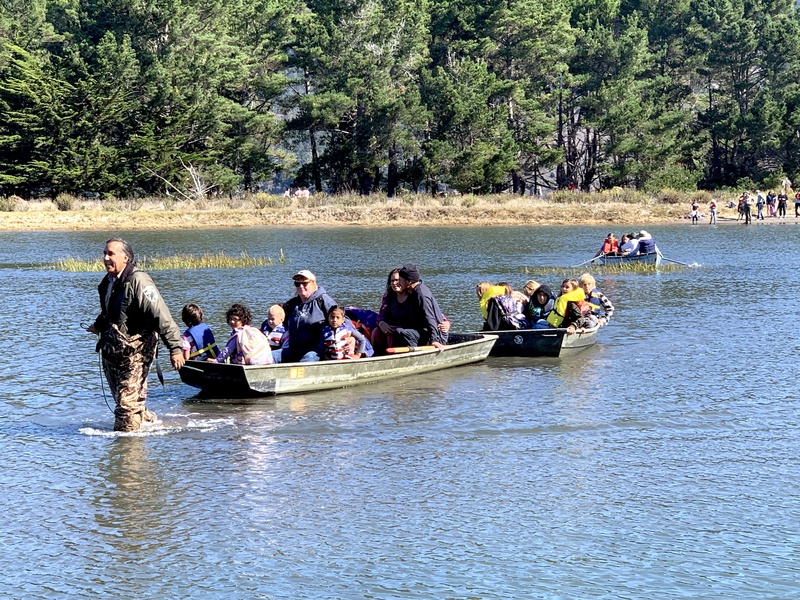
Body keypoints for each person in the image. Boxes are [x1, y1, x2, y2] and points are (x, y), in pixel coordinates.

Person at [87, 238, 185, 432]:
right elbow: (110, 311)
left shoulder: (140, 281)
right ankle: (147, 422)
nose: (106, 258)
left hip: (138, 349)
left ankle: (126, 450)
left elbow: (161, 315)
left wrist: (175, 347)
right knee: (123, 399)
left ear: (126, 257)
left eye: (111, 254)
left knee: (125, 404)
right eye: (104, 253)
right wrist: (98, 325)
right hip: (114, 350)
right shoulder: (109, 281)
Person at [275, 270, 337, 363]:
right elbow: (276, 315)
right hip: (293, 349)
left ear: (313, 283)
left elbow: (341, 318)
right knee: (266, 357)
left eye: (304, 283)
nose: (301, 286)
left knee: (305, 361)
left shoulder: (323, 300)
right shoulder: (293, 303)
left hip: (316, 351)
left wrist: (351, 339)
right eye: (297, 284)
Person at [394, 264, 447, 350]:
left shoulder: (421, 295)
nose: (398, 283)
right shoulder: (412, 292)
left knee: (401, 332)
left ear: (409, 281)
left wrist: (435, 340)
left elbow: (430, 317)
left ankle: (414, 355)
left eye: (400, 280)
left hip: (436, 336)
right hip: (424, 332)